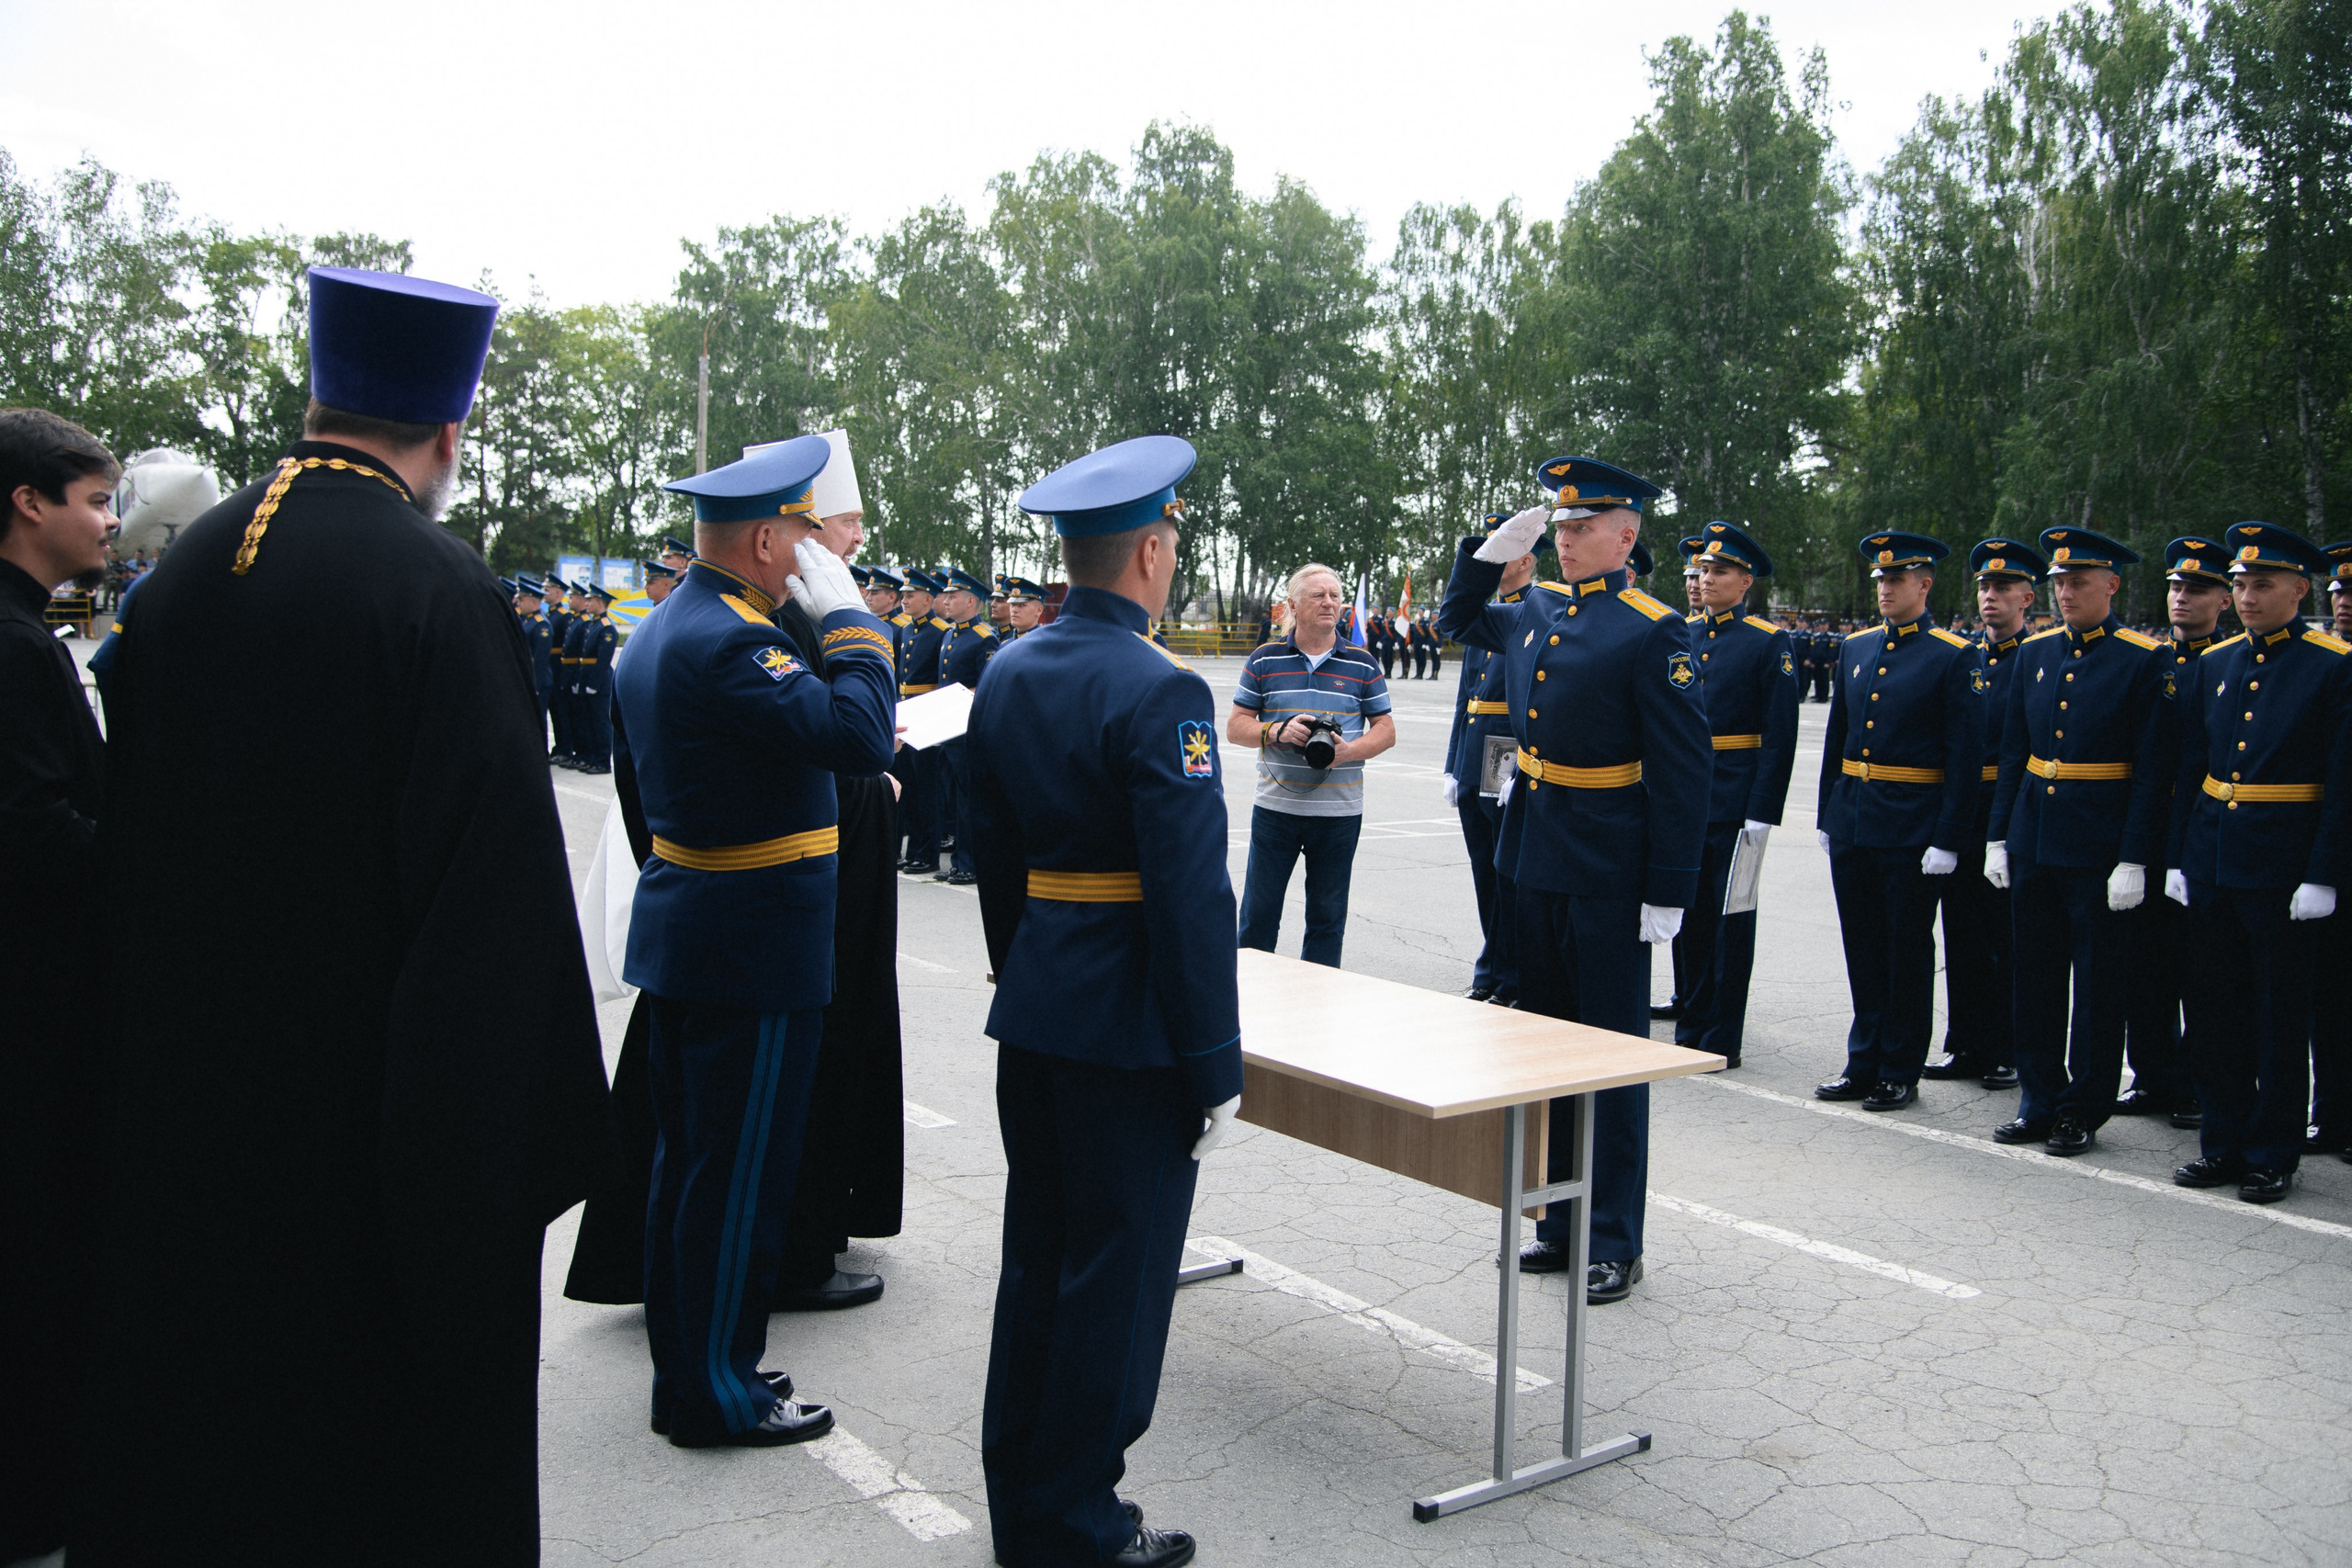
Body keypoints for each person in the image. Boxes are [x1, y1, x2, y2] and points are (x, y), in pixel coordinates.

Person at [81, 267, 612, 1562]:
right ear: (447, 434)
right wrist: (507, 1158)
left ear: (321, 399)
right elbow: (489, 919)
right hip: (372, 1153)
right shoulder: (438, 585)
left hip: (186, 1118)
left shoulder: (184, 572)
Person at [968, 433, 1240, 1568]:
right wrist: (1213, 1062)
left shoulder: (1010, 667)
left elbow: (992, 854)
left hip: (1038, 1007)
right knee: (1113, 1284)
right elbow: (1188, 897)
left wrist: (1023, 967)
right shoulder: (1161, 687)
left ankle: (1024, 1507)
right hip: (1129, 1031)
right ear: (1148, 552)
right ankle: (1078, 1525)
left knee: (1037, 1259)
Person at [618, 434, 896, 1446]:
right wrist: (855, 623)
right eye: (799, 534)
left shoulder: (668, 625)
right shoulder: (736, 639)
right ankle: (716, 1392)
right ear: (767, 540)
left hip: (699, 930)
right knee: (735, 1178)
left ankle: (694, 1367)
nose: (808, 554)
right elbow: (859, 738)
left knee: (694, 1170)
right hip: (752, 944)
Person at [1439, 457, 1708, 1306]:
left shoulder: (1654, 629)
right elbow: (1456, 618)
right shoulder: (1538, 610)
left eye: (1581, 527)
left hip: (1609, 866)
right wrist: (1489, 552)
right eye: (1559, 526)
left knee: (1612, 1057)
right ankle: (1558, 1218)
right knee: (1547, 1048)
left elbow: (1683, 768)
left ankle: (1614, 1239)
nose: (1565, 539)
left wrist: (1669, 887)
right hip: (1535, 852)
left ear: (1625, 537)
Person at [0, 407, 117, 1565]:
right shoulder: (15, 644)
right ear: (28, 503)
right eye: (93, 500)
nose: (109, 522)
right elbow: (35, 829)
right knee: (36, 1248)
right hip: (35, 1001)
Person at [2166, 522, 2352, 1203]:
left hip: (2283, 866)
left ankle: (2273, 1151)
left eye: (2262, 585)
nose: (2246, 597)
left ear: (2300, 590)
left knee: (2278, 1018)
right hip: (2214, 859)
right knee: (2216, 1011)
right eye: (2240, 585)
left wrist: (2323, 873)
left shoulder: (2333, 665)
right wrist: (2178, 858)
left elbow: (2343, 783)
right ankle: (2223, 1142)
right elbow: (2193, 769)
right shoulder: (2215, 663)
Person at [1983, 528, 2177, 1156]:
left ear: (2111, 585)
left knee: (2098, 986)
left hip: (2099, 847)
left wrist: (2134, 857)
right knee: (2034, 977)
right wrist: (1998, 836)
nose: (2065, 593)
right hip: (2035, 838)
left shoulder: (2144, 658)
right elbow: (2015, 753)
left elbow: (2152, 771)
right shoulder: (2035, 653)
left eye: (2079, 582)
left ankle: (2083, 1107)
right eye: (2059, 583)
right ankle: (2038, 1098)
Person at [1815, 531, 1984, 1111]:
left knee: (1905, 952)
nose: (1885, 589)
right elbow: (1838, 737)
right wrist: (1829, 813)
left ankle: (1899, 1067)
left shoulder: (1953, 654)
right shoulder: (1857, 648)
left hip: (1912, 829)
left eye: (1897, 579)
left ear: (1924, 585)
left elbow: (1964, 757)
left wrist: (1949, 838)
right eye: (1881, 580)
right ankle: (1862, 1060)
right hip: (1855, 821)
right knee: (1862, 948)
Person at [1672, 523, 1799, 1071]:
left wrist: (1763, 811)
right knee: (1689, 914)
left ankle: (1723, 1034)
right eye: (1704, 570)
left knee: (1731, 919)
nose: (1707, 579)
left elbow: (1781, 735)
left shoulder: (1767, 642)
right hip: (1687, 797)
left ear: (1745, 582)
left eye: (1720, 571)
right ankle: (1691, 1021)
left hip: (1736, 799)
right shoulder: (1683, 634)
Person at [1227, 561, 1396, 967]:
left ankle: (1318, 999)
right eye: (1318, 595)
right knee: (1258, 916)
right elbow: (1235, 727)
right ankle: (1251, 996)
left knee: (1327, 919)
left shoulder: (1362, 663)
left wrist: (1347, 751)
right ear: (1293, 605)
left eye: (1335, 596)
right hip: (1275, 810)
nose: (1329, 603)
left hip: (1339, 813)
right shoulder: (1264, 659)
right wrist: (1277, 731)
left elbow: (1386, 730)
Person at [2117, 536, 2231, 1128]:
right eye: (2176, 588)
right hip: (2146, 834)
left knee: (2200, 970)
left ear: (2224, 600)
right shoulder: (2152, 659)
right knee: (2144, 964)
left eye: (2198, 589)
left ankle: (2195, 1083)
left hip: (2200, 837)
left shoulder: (2229, 663)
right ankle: (2152, 1074)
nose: (2182, 598)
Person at [1923, 538, 2043, 1090]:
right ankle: (1966, 1043)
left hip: (2009, 812)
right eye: (1985, 588)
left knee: (2008, 939)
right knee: (1963, 934)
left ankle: (2008, 1047)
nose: (1990, 597)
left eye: (2002, 588)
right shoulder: (1965, 656)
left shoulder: (2036, 659)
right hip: (1964, 811)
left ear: (2027, 598)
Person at [1442, 513, 1546, 1006]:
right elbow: (1466, 698)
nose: (1489, 561)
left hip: (1508, 756)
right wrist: (1452, 763)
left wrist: (1522, 762)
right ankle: (1492, 965)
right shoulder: (1488, 613)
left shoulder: (1537, 612)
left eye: (1498, 552)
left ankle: (1512, 975)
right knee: (1484, 871)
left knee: (1509, 877)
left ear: (1524, 560)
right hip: (1474, 755)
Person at [935, 566, 1000, 886]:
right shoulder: (950, 634)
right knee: (953, 797)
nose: (946, 601)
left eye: (953, 596)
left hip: (966, 730)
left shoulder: (984, 637)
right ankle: (959, 861)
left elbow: (984, 686)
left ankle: (971, 863)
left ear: (971, 601)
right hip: (947, 729)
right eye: (946, 596)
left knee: (968, 800)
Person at [898, 568, 951, 874]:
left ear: (928, 599)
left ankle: (928, 853)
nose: (904, 600)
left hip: (927, 715)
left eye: (910, 595)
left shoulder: (940, 631)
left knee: (928, 790)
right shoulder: (906, 630)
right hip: (906, 713)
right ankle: (914, 849)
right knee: (910, 786)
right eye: (903, 595)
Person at [572, 581, 618, 773]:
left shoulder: (606, 627)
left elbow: (603, 660)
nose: (587, 603)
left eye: (590, 600)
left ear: (600, 602)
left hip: (598, 680)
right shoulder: (593, 624)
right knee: (587, 721)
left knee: (600, 722)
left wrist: (594, 683)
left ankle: (602, 761)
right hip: (586, 676)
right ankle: (591, 757)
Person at [513, 573, 557, 742]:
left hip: (539, 681)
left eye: (522, 599)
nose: (519, 603)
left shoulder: (541, 624)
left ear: (533, 602)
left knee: (538, 720)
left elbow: (540, 660)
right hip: (529, 679)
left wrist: (535, 684)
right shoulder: (528, 621)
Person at [1002, 574, 1047, 640]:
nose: (1014, 610)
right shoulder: (1005, 644)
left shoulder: (1044, 644)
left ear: (1039, 610)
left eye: (1021, 605)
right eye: (1012, 604)